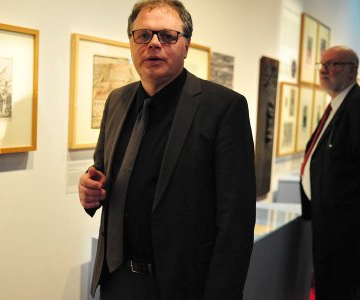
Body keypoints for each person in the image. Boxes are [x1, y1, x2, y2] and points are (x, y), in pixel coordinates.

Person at [78, 1, 256, 299]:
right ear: (131, 42)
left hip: (183, 285)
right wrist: (90, 190)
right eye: (143, 35)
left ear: (186, 45)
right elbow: (102, 171)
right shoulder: (117, 100)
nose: (154, 44)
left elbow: (235, 224)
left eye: (167, 36)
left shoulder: (223, 108)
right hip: (117, 278)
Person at [300, 45, 360, 299]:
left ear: (352, 71)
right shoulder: (338, 104)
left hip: (345, 230)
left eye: (334, 65)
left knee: (338, 288)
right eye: (322, 65)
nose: (325, 70)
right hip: (329, 223)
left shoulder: (356, 107)